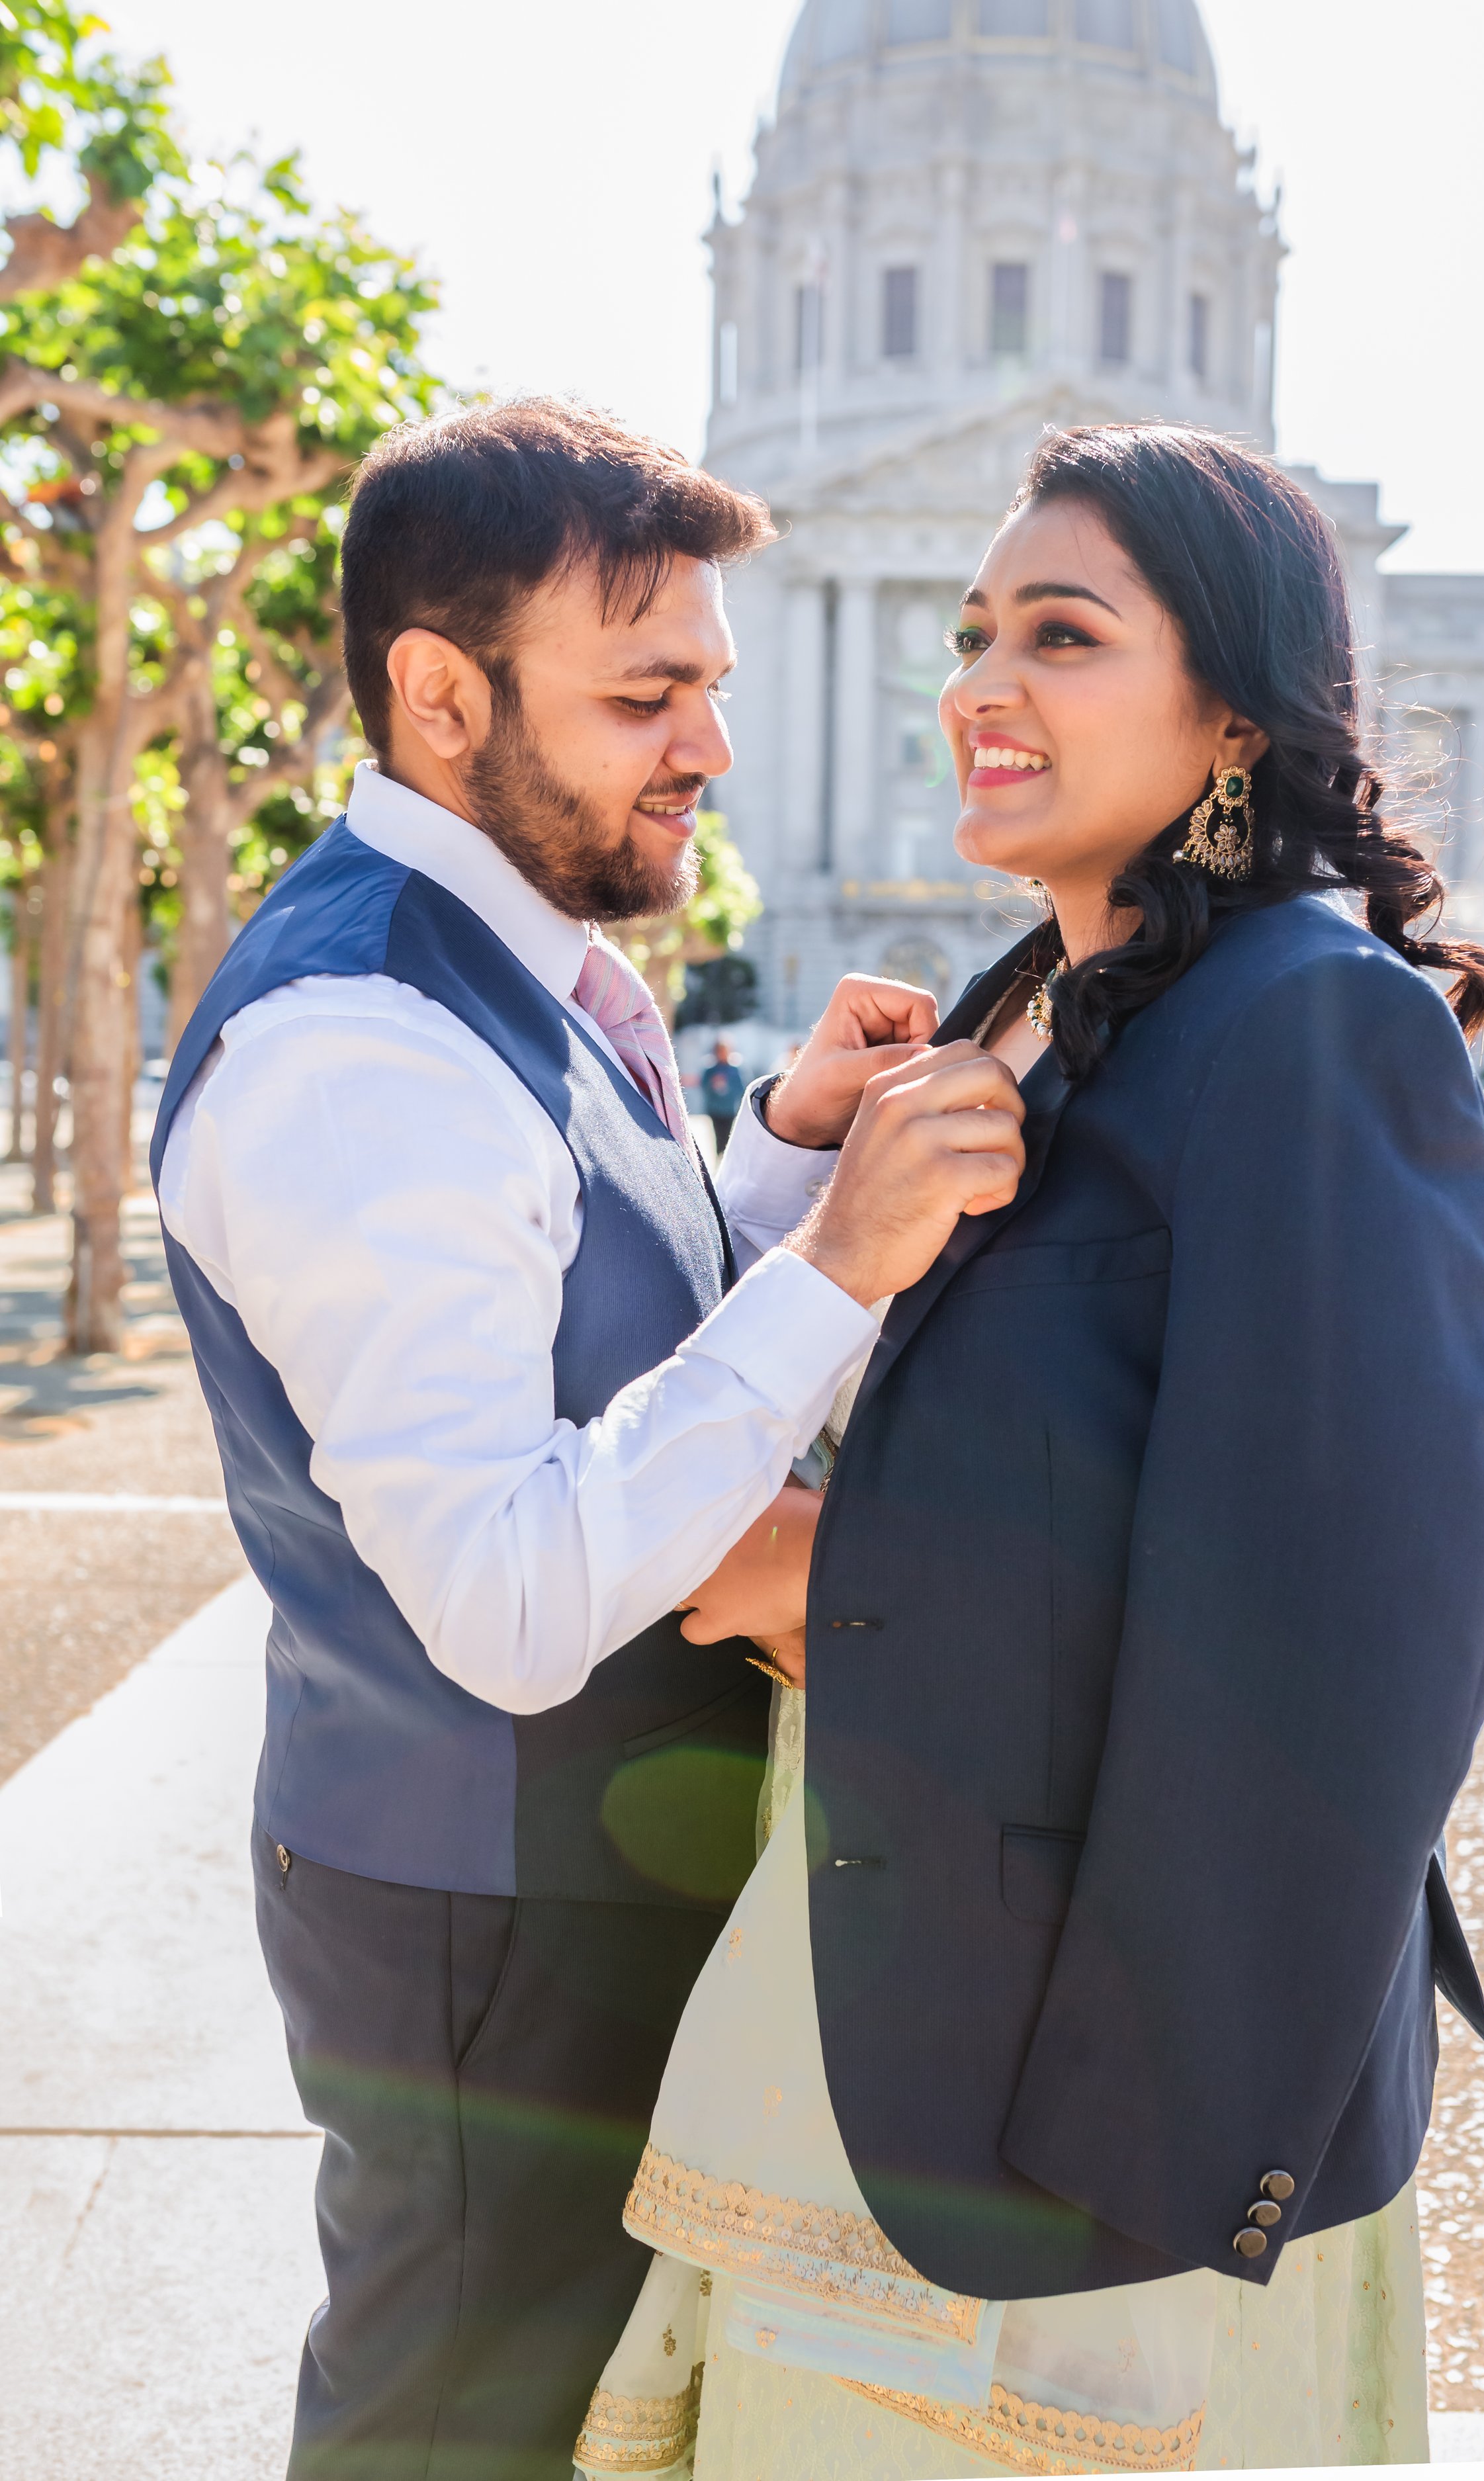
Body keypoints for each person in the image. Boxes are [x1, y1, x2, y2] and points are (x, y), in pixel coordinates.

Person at [574, 425, 1484, 2478]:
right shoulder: (1049, 1004)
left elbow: (1346, 1640)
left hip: (1096, 2114)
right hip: (900, 1993)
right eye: (971, 626)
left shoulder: (1306, 1018)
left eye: (1062, 633)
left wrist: (815, 1578)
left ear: (1229, 721)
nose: (978, 682)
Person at [150, 398, 1026, 2480]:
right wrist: (844, 1271)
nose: (709, 746)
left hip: (540, 1874)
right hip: (483, 1903)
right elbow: (519, 1596)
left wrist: (787, 1171)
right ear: (440, 696)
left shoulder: (507, 966)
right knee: (457, 2422)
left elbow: (560, 1312)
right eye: (643, 695)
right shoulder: (358, 1039)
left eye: (710, 684)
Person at [701, 1037, 746, 1155]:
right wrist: (714, 1084)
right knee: (717, 1135)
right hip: (715, 1109)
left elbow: (740, 1088)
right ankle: (718, 1155)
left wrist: (727, 1086)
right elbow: (704, 1086)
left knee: (728, 1135)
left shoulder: (735, 1070)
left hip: (729, 1109)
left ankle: (725, 1157)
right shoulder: (711, 1070)